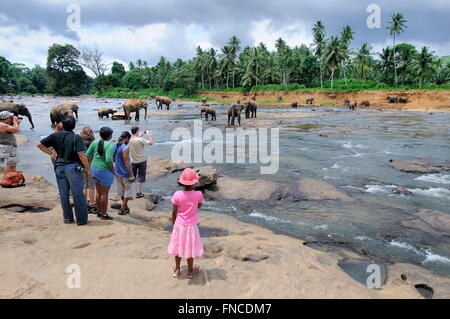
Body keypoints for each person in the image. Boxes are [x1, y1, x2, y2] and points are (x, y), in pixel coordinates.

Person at [37, 116, 91, 226]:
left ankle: (67, 218)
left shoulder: (55, 135)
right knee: (78, 195)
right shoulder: (76, 137)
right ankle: (81, 220)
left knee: (63, 194)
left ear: (63, 125)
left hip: (59, 167)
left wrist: (52, 154)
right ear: (74, 126)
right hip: (73, 168)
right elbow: (81, 155)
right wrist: (88, 169)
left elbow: (40, 145)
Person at [168, 168, 204, 279]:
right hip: (192, 225)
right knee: (190, 247)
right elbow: (198, 206)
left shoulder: (177, 194)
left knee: (178, 246)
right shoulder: (198, 194)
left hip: (179, 224)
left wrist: (174, 224)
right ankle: (190, 271)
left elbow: (174, 211)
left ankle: (177, 270)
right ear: (194, 182)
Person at [86, 127, 115, 220]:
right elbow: (109, 161)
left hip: (94, 168)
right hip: (104, 171)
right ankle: (104, 214)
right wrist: (113, 171)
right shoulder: (110, 145)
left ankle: (98, 211)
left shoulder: (95, 142)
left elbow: (87, 155)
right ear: (109, 135)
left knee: (98, 191)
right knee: (105, 193)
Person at [113, 131, 135, 215]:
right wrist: (131, 175)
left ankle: (126, 207)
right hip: (125, 173)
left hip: (117, 172)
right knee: (128, 191)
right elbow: (126, 162)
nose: (129, 141)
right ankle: (122, 209)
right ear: (126, 138)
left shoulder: (114, 145)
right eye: (129, 139)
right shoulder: (125, 147)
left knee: (122, 191)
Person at [128, 126, 153, 198]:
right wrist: (149, 135)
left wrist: (142, 132)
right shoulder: (140, 140)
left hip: (133, 161)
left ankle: (128, 192)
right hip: (142, 161)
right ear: (137, 131)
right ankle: (138, 193)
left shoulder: (129, 139)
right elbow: (151, 143)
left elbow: (135, 135)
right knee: (141, 177)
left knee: (132, 177)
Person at [79, 126, 96, 213]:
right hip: (91, 164)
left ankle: (84, 202)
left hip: (81, 164)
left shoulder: (80, 142)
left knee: (84, 184)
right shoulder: (93, 142)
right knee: (91, 185)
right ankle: (92, 204)